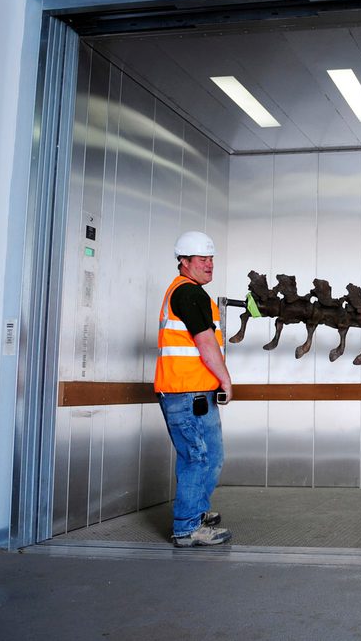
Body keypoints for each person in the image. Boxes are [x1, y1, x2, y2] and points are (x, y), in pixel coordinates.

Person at [155, 231, 235, 546]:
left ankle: (196, 512)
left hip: (197, 393)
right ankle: (187, 528)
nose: (209, 265)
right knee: (197, 458)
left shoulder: (194, 293)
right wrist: (226, 380)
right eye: (202, 259)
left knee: (211, 456)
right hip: (185, 394)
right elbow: (204, 343)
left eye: (211, 259)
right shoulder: (188, 293)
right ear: (184, 262)